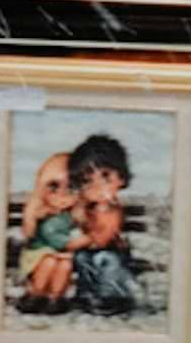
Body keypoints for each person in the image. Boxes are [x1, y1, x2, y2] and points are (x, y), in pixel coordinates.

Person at [61, 133, 143, 316]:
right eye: (87, 181)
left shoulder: (113, 209)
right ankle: (87, 294)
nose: (97, 185)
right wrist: (81, 205)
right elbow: (76, 221)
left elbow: (104, 238)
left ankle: (113, 297)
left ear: (121, 180)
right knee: (82, 258)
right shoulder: (87, 207)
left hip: (114, 253)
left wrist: (84, 239)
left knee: (104, 259)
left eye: (105, 177)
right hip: (90, 249)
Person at [17, 152, 78, 304]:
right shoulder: (41, 213)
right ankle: (35, 294)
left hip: (63, 254)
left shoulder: (71, 214)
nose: (62, 195)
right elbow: (37, 235)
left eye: (70, 188)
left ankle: (54, 298)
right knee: (49, 262)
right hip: (39, 254)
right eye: (54, 187)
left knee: (65, 265)